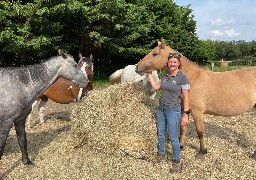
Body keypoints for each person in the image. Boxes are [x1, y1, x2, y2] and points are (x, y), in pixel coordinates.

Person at [147, 52, 190, 173]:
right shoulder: (165, 76)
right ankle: (161, 155)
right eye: (170, 61)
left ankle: (176, 161)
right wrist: (149, 74)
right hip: (161, 109)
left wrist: (185, 114)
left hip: (173, 110)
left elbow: (186, 97)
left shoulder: (183, 77)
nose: (172, 63)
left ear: (178, 63)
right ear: (168, 63)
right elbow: (156, 87)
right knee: (161, 134)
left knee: (173, 137)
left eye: (174, 62)